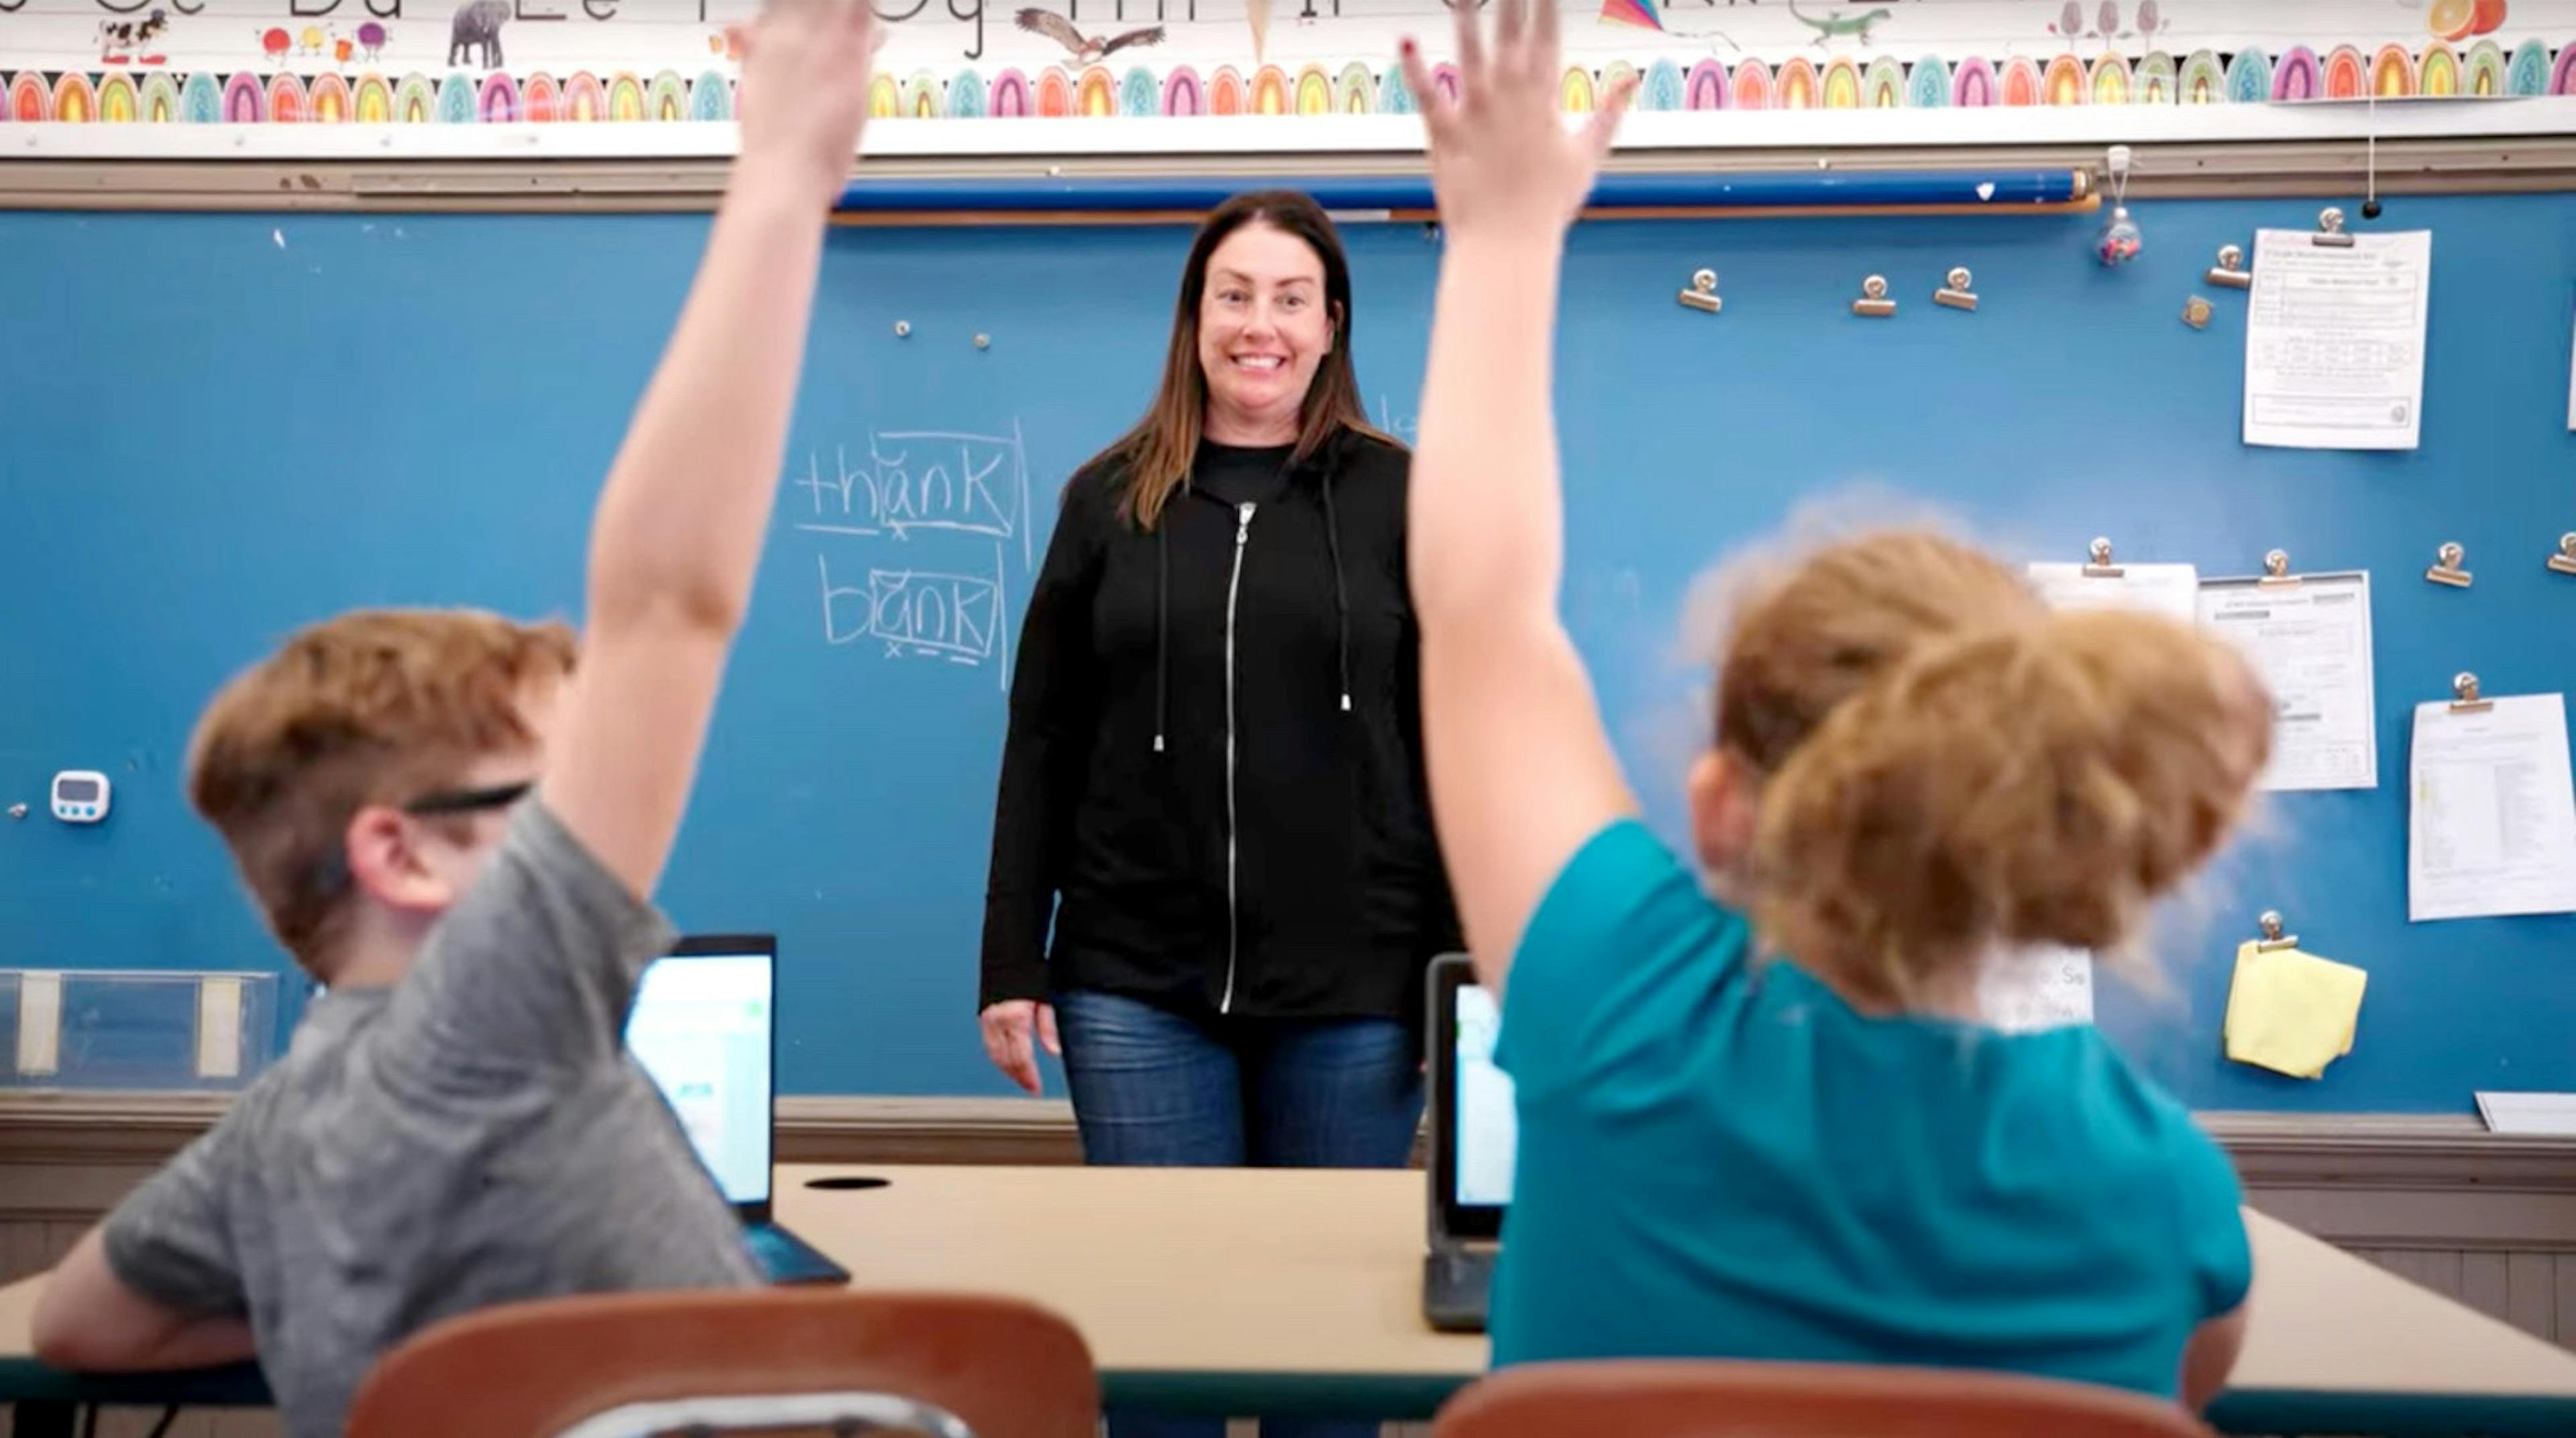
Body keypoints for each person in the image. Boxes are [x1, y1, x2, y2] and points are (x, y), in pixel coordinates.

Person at [1396, 0, 2268, 1411]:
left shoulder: (1616, 1002)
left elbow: (1482, 609)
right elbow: (2182, 1381)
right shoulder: (2160, 1188)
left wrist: (1503, 237)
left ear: (1722, 810)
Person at [28, 5, 880, 1432]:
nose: (595, 819)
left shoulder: (278, 1138)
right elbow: (669, 601)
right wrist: (785, 171)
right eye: (547, 799)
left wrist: (362, 1325)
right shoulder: (490, 1023)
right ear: (402, 857)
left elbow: (77, 1320)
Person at [977, 190, 1456, 1437]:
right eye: (1235, 295)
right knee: (1160, 1367)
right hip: (1135, 987)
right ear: (1195, 320)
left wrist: (1458, 982)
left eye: (1291, 299)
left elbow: (1463, 746)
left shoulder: (1406, 499)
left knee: (1326, 1372)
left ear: (1333, 323)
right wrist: (1010, 962)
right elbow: (1040, 742)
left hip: (1358, 997)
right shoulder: (1108, 500)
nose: (1263, 324)